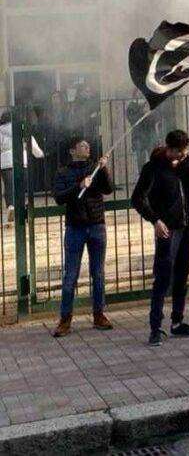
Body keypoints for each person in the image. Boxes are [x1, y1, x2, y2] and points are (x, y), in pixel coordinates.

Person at [131, 129, 189, 345]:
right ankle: (155, 327)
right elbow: (137, 199)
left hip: (187, 227)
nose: (184, 155)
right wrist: (155, 220)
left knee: (182, 275)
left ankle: (177, 321)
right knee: (163, 278)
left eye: (186, 152)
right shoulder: (154, 168)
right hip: (167, 229)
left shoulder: (187, 165)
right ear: (171, 149)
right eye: (181, 152)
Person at [52, 137, 114, 336]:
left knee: (98, 273)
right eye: (82, 145)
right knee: (70, 275)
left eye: (88, 145)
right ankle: (65, 319)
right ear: (72, 151)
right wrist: (79, 186)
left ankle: (99, 314)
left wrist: (104, 169)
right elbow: (59, 197)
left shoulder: (95, 168)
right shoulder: (63, 172)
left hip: (96, 225)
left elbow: (108, 189)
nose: (87, 148)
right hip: (75, 228)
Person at [0, 110, 44, 226]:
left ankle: (11, 206)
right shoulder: (22, 129)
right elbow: (33, 147)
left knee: (9, 186)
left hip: (5, 163)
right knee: (20, 187)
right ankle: (21, 210)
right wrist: (40, 154)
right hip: (21, 161)